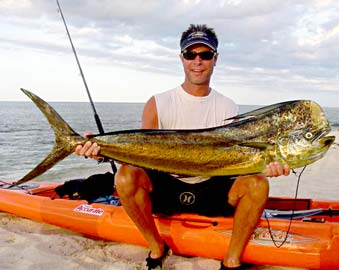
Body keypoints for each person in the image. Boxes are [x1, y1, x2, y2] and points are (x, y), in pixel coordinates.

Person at [75, 24, 290, 270]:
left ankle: (231, 260)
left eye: (205, 55)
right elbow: (139, 155)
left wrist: (264, 168)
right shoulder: (158, 103)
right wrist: (102, 151)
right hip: (165, 185)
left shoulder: (228, 107)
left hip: (211, 185)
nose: (197, 61)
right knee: (124, 176)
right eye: (191, 54)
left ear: (215, 59)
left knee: (258, 184)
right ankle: (157, 247)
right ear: (181, 58)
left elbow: (234, 160)